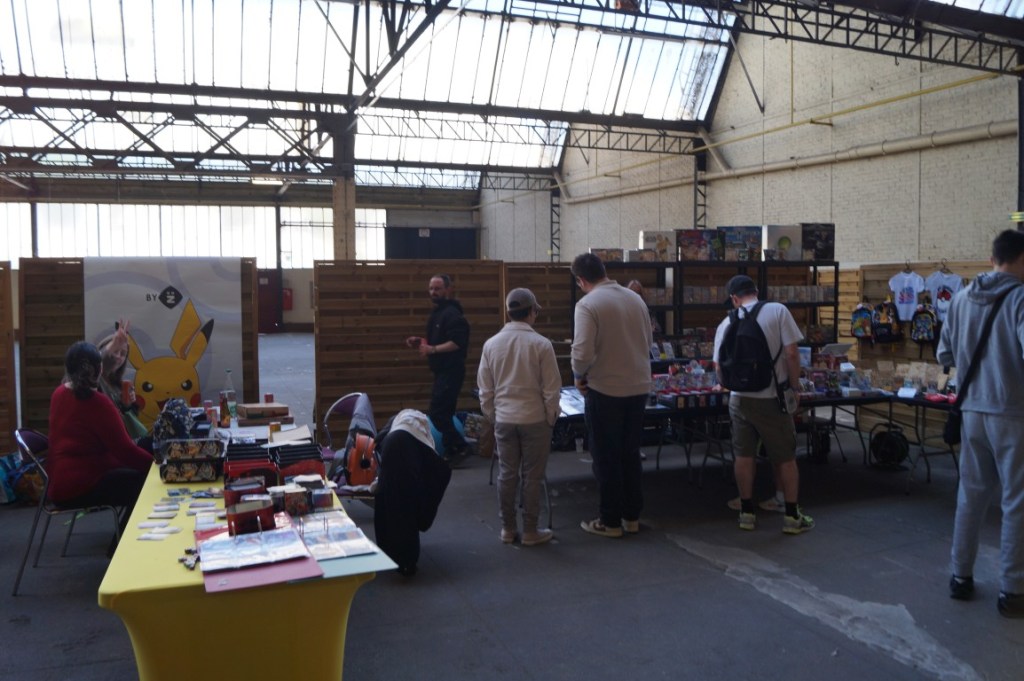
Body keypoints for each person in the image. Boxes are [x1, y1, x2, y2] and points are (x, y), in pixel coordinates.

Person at [936, 229, 1024, 618]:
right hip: (1013, 413)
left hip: (971, 411)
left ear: (993, 259)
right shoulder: (1021, 299)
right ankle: (1013, 589)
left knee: (971, 495)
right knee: (1016, 501)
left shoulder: (960, 298)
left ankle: (961, 576)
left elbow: (945, 354)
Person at [713, 274, 814, 535]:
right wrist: (794, 387)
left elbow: (718, 368)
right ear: (756, 291)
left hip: (739, 400)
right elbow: (792, 353)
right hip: (772, 399)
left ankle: (746, 513)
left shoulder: (726, 322)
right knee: (786, 457)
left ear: (734, 299)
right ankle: (791, 516)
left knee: (743, 455)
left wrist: (733, 385)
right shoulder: (777, 311)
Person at [571, 253, 653, 538]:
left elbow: (582, 352)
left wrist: (578, 375)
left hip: (606, 389)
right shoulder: (635, 299)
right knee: (630, 454)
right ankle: (631, 517)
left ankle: (610, 521)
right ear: (604, 270)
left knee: (606, 457)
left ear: (581, 280)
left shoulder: (588, 304)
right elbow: (649, 341)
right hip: (639, 387)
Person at [477, 288, 562, 546]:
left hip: (504, 419)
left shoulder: (491, 344)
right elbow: (552, 388)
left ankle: (507, 528)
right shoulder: (542, 345)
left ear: (508, 312)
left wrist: (493, 415)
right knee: (532, 476)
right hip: (535, 419)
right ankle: (531, 531)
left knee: (507, 474)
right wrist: (550, 418)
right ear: (532, 311)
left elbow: (485, 389)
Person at [48, 341, 154, 534]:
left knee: (145, 451)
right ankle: (120, 543)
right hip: (81, 485)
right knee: (144, 482)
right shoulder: (97, 403)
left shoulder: (59, 393)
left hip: (61, 482)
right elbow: (125, 452)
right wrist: (158, 468)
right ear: (100, 369)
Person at [373, 409, 453, 577]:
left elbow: (378, 443)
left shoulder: (395, 424)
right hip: (406, 455)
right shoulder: (420, 429)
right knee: (407, 506)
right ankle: (407, 561)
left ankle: (393, 556)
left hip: (394, 452)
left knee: (389, 505)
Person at [405, 274, 471, 466]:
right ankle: (452, 450)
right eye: (431, 288)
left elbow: (457, 343)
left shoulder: (452, 314)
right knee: (444, 412)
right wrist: (420, 342)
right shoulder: (438, 313)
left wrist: (432, 349)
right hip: (442, 371)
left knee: (438, 413)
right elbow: (439, 340)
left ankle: (461, 446)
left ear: (448, 290)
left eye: (438, 288)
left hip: (451, 371)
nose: (433, 292)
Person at [96, 319, 148, 440]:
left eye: (123, 353)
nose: (119, 357)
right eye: (115, 351)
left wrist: (128, 406)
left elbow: (128, 424)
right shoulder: (95, 378)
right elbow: (96, 364)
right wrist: (111, 347)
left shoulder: (118, 385)